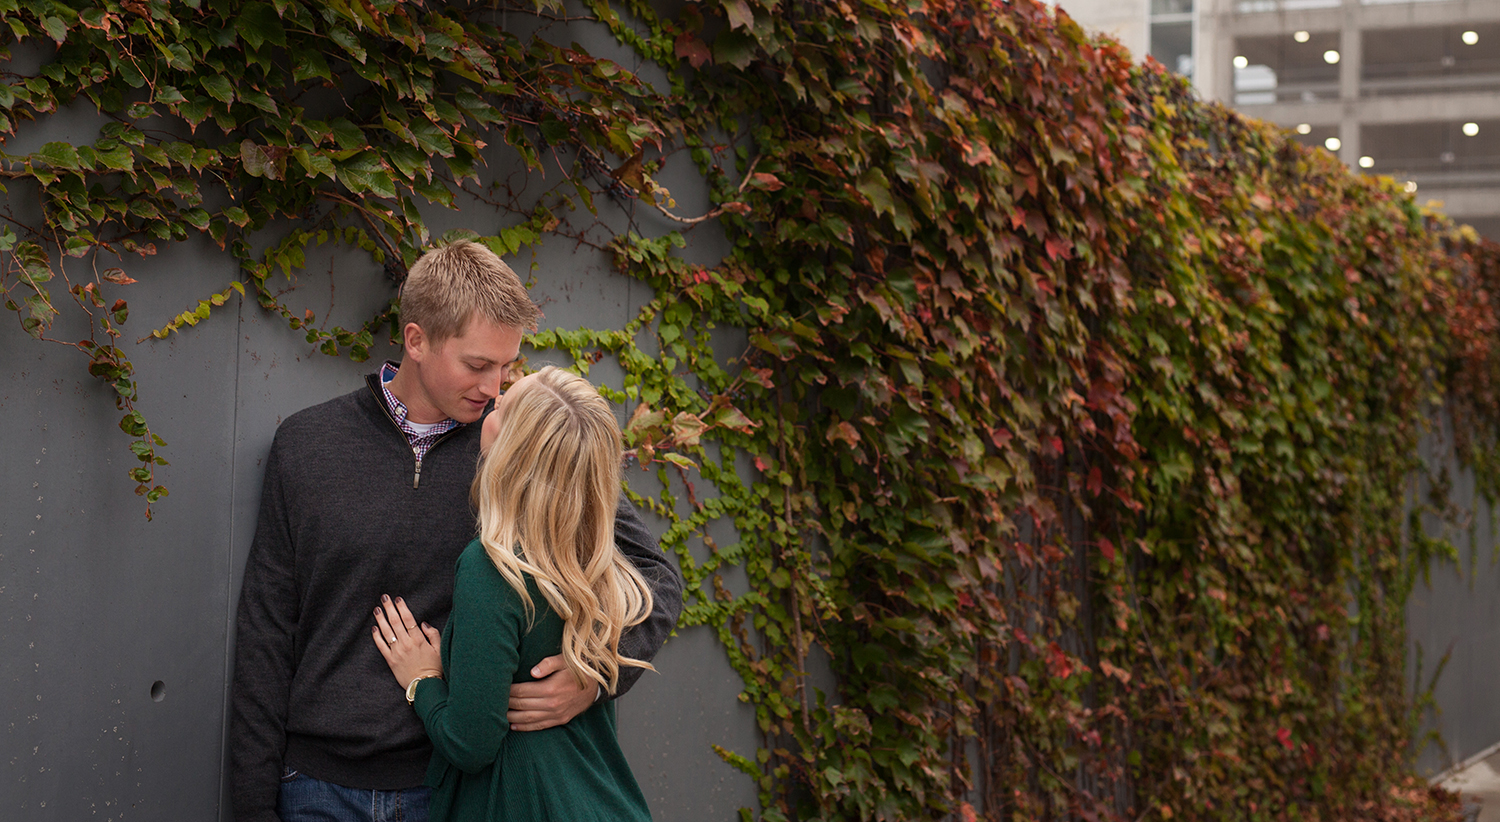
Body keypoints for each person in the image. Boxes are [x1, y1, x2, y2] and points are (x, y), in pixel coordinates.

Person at [230, 241, 682, 822]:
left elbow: (656, 578)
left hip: (453, 789)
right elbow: (266, 633)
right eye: (477, 365)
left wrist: (596, 675)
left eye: (508, 367)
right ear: (416, 340)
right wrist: (252, 806)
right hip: (318, 785)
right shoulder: (308, 446)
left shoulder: (521, 451)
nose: (497, 388)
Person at [373, 366, 655, 821]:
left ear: (512, 454)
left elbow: (470, 744)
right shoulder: (603, 564)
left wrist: (422, 681)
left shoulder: (493, 570)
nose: (493, 398)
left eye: (502, 408)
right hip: (601, 801)